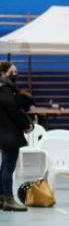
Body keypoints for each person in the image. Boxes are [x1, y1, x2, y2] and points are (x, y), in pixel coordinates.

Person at [0, 62, 33, 212]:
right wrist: (26, 124)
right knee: (9, 167)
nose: (16, 74)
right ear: (4, 72)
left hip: (4, 132)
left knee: (5, 166)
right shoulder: (5, 89)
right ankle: (8, 199)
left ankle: (2, 197)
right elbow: (14, 110)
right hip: (9, 133)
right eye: (13, 72)